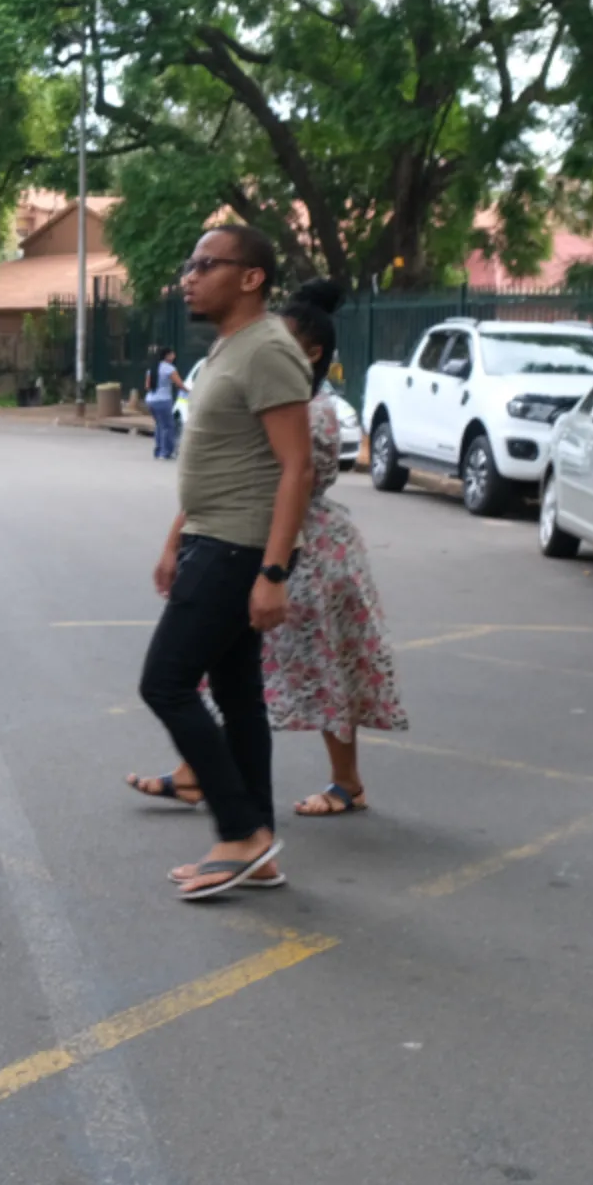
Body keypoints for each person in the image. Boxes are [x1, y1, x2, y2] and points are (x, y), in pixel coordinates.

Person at [135, 281, 408, 833]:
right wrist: (177, 542)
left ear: (307, 354)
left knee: (318, 670)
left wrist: (272, 568)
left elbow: (284, 481)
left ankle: (339, 785)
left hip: (297, 552)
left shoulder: (310, 410)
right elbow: (223, 479)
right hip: (259, 540)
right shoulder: (267, 391)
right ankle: (213, 789)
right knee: (235, 675)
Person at [133, 225, 317, 900]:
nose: (189, 276)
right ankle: (258, 849)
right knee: (239, 700)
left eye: (205, 265)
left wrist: (273, 572)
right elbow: (218, 459)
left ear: (251, 278)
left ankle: (240, 830)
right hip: (215, 538)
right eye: (190, 263)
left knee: (166, 684)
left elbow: (297, 465)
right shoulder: (229, 351)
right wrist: (176, 536)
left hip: (240, 548)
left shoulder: (268, 349)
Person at [144, 347, 186, 459]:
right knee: (168, 426)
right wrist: (189, 390)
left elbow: (147, 386)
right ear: (167, 356)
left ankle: (158, 451)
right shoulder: (169, 369)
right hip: (163, 400)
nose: (174, 356)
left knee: (159, 425)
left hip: (150, 400)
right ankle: (166, 452)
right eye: (172, 354)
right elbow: (179, 384)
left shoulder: (152, 368)